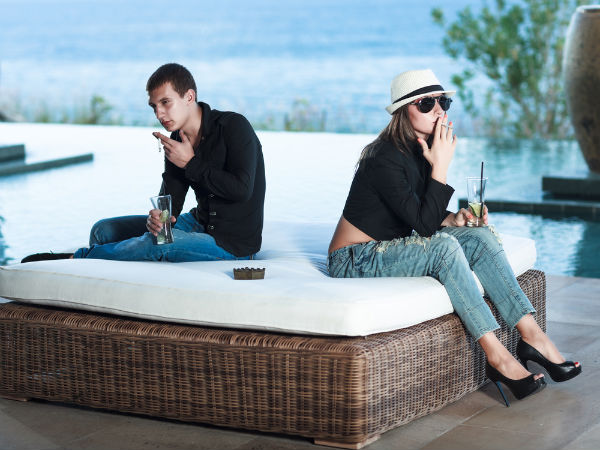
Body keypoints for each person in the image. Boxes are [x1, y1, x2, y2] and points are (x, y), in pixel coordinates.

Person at [327, 69, 581, 406]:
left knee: (480, 236)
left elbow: (422, 215)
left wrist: (455, 218)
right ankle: (497, 357)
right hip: (354, 258)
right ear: (403, 111)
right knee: (444, 247)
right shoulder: (383, 158)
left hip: (388, 247)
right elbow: (424, 227)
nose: (438, 110)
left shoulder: (420, 150)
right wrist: (441, 167)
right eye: (426, 103)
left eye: (442, 102)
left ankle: (533, 337)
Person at [22, 63, 265, 263]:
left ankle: (76, 260)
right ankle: (109, 267)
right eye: (154, 106)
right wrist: (159, 219)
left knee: (157, 243)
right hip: (196, 223)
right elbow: (171, 203)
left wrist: (190, 163)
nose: (159, 114)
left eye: (166, 103)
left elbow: (241, 190)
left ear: (189, 97)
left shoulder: (234, 127)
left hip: (233, 244)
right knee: (103, 231)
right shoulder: (176, 138)